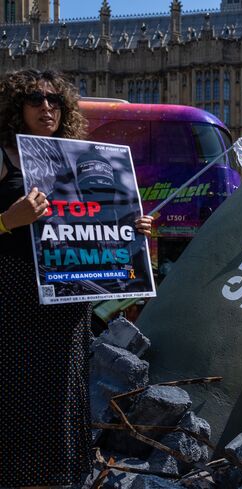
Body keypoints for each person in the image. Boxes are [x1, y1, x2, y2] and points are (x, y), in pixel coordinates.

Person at [0, 69, 153, 486]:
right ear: (17, 107)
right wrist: (6, 221)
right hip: (13, 291)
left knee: (63, 390)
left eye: (55, 100)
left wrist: (129, 228)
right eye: (35, 99)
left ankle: (59, 476)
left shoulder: (75, 158)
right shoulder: (3, 156)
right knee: (16, 389)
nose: (46, 107)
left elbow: (95, 219)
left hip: (66, 294)